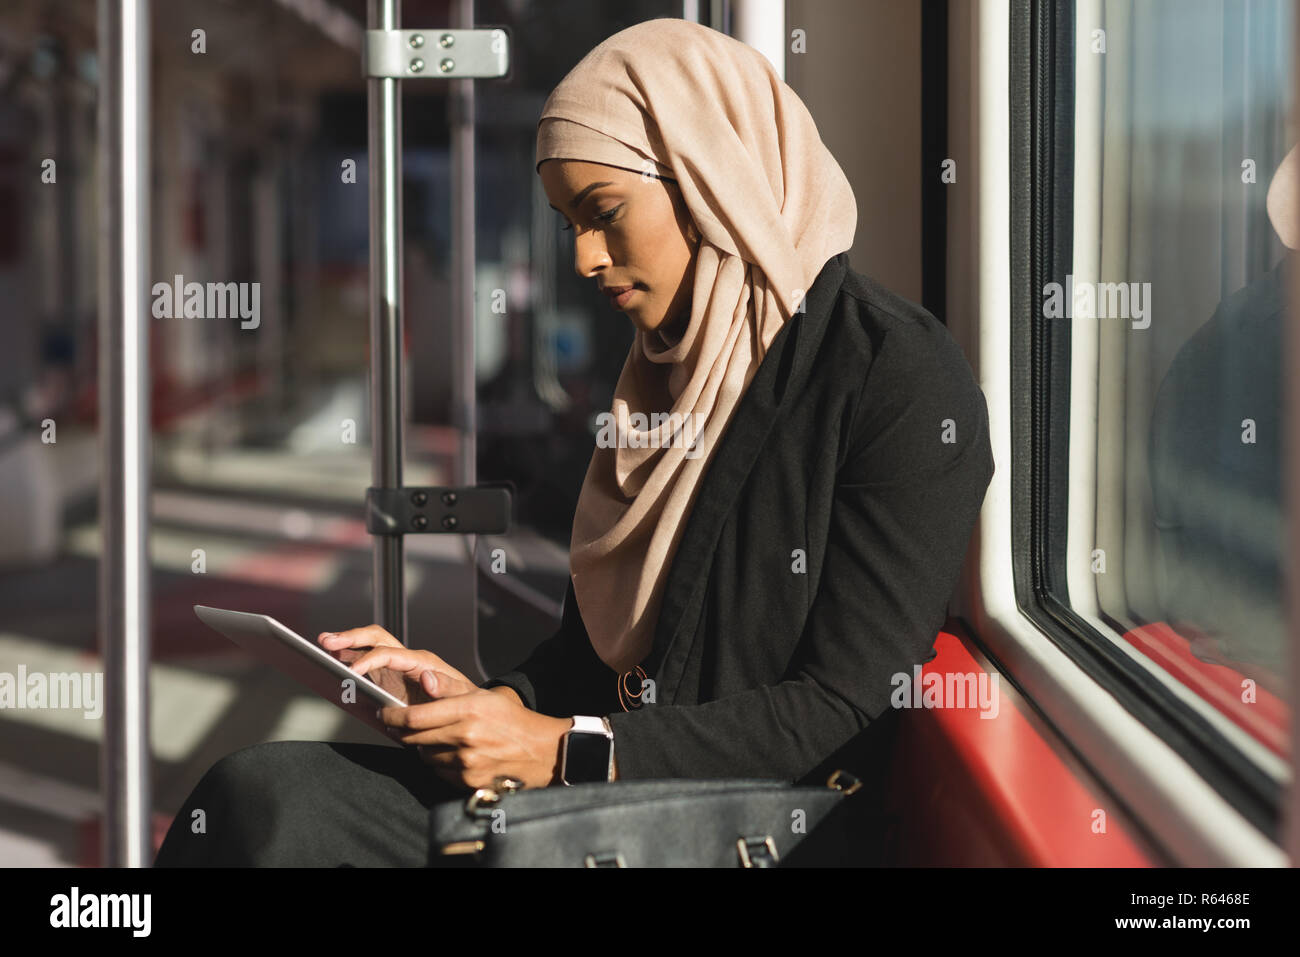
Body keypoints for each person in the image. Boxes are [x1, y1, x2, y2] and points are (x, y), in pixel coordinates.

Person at [154, 17, 994, 868]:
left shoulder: (891, 376)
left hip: (741, 831)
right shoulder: (664, 375)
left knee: (277, 818)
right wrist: (476, 705)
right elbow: (590, 669)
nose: (588, 259)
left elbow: (845, 710)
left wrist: (561, 751)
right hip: (599, 800)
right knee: (252, 794)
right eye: (570, 226)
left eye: (604, 213)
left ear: (714, 178)